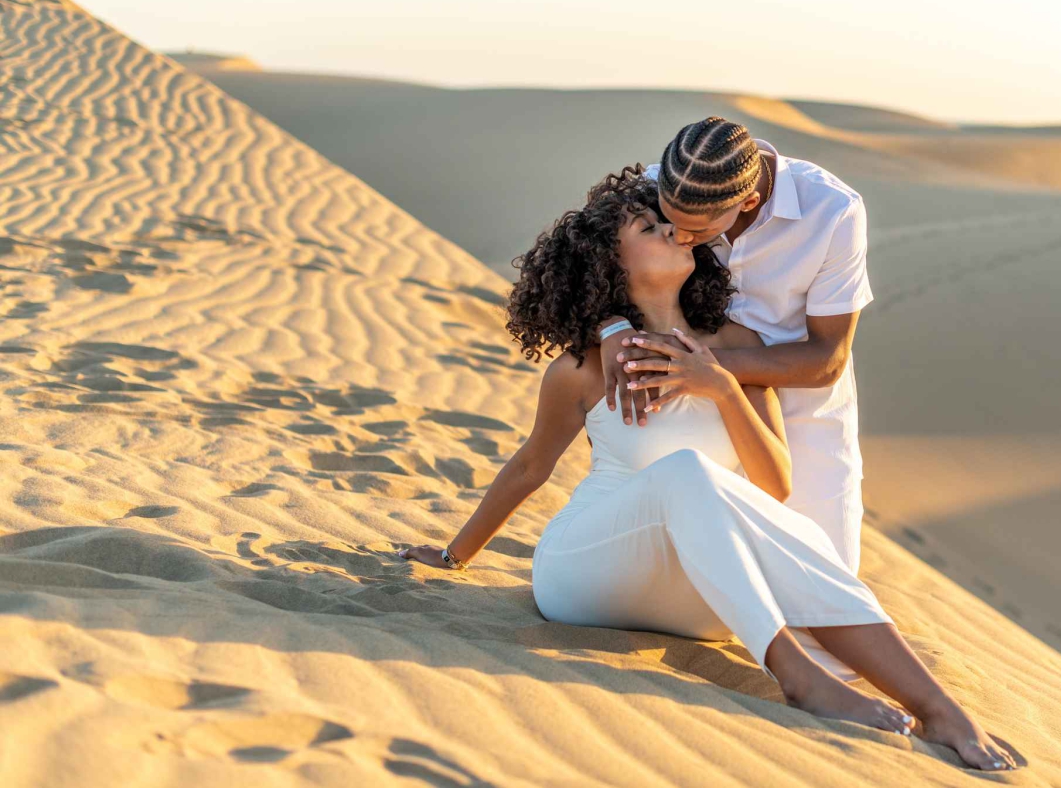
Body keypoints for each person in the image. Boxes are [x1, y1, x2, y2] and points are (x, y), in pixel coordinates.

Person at [397, 168, 1021, 773]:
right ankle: (797, 676)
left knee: (794, 531)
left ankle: (939, 709)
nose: (672, 230)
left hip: (709, 605)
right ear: (610, 264)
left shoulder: (735, 345)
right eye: (648, 226)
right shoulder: (588, 366)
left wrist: (720, 386)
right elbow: (531, 465)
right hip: (586, 576)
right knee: (688, 472)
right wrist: (454, 556)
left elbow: (775, 483)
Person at [598, 117, 874, 681]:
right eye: (668, 223)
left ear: (748, 200)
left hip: (803, 414)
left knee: (826, 605)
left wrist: (706, 368)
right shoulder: (652, 190)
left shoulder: (833, 212)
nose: (681, 238)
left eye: (697, 230)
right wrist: (606, 329)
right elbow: (580, 262)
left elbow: (827, 358)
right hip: (689, 418)